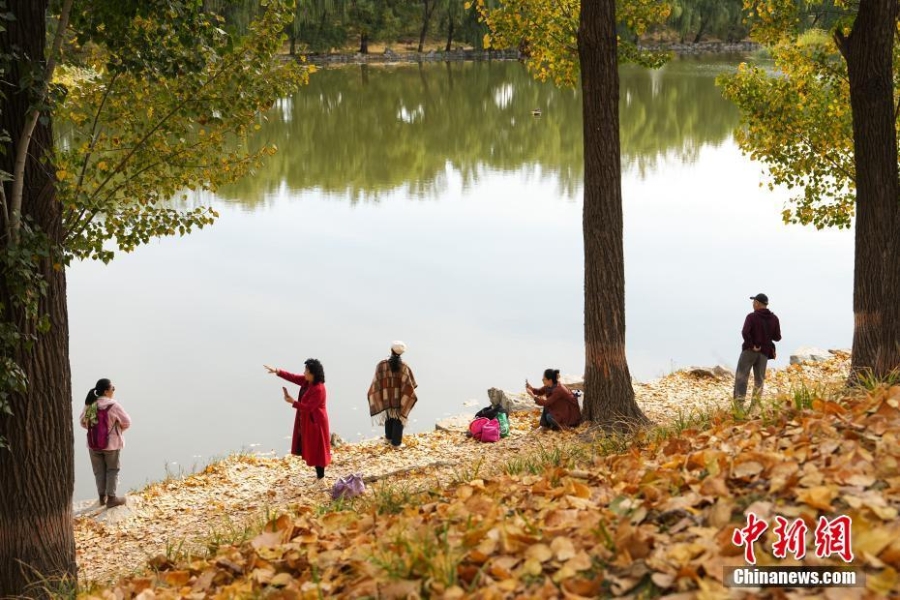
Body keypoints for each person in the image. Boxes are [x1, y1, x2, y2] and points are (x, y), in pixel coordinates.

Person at [264, 359, 331, 483]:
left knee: (318, 450)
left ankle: (321, 479)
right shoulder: (307, 382)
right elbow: (293, 377)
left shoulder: (319, 389)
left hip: (316, 423)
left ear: (313, 374)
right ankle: (319, 478)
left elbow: (309, 407)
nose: (304, 373)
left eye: (306, 371)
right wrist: (277, 371)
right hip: (308, 420)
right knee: (312, 448)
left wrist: (293, 402)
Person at [79, 378, 131, 508]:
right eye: (112, 388)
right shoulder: (113, 405)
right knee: (112, 470)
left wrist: (96, 432)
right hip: (112, 445)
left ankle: (102, 498)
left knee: (99, 471)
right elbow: (127, 422)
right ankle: (112, 498)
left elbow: (83, 422)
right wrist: (116, 431)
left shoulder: (90, 404)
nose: (113, 391)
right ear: (107, 391)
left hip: (93, 444)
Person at [734, 293, 782, 410]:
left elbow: (745, 332)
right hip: (764, 354)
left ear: (757, 303)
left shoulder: (751, 317)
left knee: (742, 378)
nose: (752, 304)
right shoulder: (774, 319)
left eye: (753, 302)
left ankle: (738, 409)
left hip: (749, 351)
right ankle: (754, 409)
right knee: (759, 381)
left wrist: (752, 345)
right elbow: (777, 337)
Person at [367, 341, 418, 448]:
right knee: (398, 417)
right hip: (399, 398)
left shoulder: (381, 364)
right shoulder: (404, 367)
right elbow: (411, 385)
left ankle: (388, 438)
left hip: (386, 397)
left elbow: (376, 383)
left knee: (389, 414)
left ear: (391, 350)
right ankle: (396, 443)